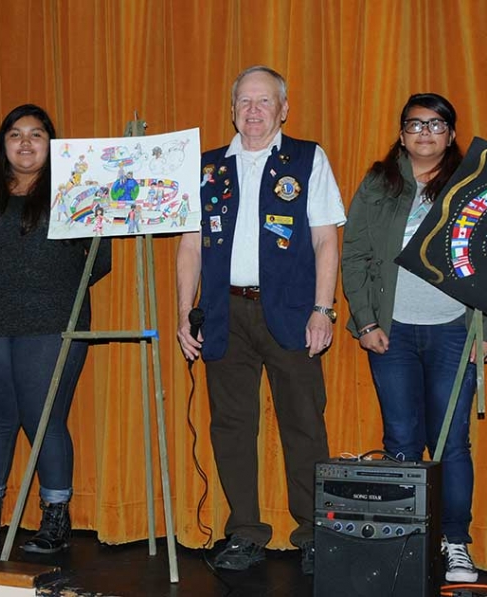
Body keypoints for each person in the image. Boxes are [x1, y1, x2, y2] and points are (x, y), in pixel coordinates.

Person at [176, 66, 345, 574]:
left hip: (292, 313)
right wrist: (186, 312)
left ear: (283, 109)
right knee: (230, 426)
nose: (253, 111)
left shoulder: (308, 159)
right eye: (244, 102)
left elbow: (326, 240)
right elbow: (188, 246)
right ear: (232, 109)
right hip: (225, 314)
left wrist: (323, 309)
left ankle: (313, 533)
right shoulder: (205, 168)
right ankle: (244, 532)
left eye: (264, 101)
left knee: (304, 425)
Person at [340, 93, 487, 583]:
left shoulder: (476, 184)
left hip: (456, 331)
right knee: (402, 442)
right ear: (402, 132)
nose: (425, 132)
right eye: (415, 124)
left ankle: (456, 543)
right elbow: (355, 255)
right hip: (393, 334)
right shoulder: (379, 183)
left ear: (451, 134)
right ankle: (406, 543)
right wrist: (367, 323)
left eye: (436, 125)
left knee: (452, 443)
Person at [0, 104, 111, 553]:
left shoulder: (74, 194)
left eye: (36, 135)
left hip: (54, 326)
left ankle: (55, 520)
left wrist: (54, 287)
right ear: (3, 144)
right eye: (16, 134)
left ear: (50, 144)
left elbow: (101, 259)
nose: (25, 143)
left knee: (45, 422)